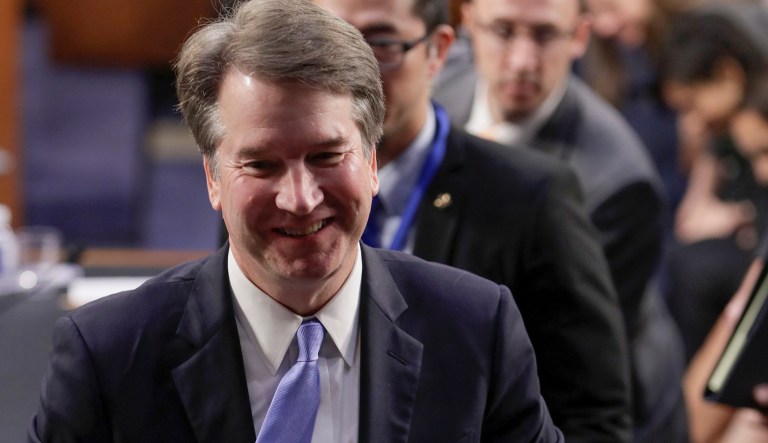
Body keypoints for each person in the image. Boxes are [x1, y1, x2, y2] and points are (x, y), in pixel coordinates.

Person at [28, 1, 564, 441]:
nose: (302, 199)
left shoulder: (475, 331)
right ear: (213, 179)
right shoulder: (110, 355)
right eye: (262, 164)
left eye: (328, 157)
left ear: (372, 162)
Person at [313, 0, 631, 441]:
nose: (348, 75)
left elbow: (592, 417)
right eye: (326, 44)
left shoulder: (533, 199)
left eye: (380, 43)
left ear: (438, 50)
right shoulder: (268, 198)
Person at [431, 0, 688, 441]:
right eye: (503, 30)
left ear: (580, 37)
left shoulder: (617, 183)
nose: (522, 60)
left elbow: (560, 360)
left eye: (546, 34)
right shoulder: (435, 87)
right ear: (468, 23)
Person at [660, 2, 768, 362]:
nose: (691, 123)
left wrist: (740, 215)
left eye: (693, 104)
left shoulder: (754, 121)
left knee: (696, 270)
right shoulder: (723, 134)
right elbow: (691, 215)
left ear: (727, 74)